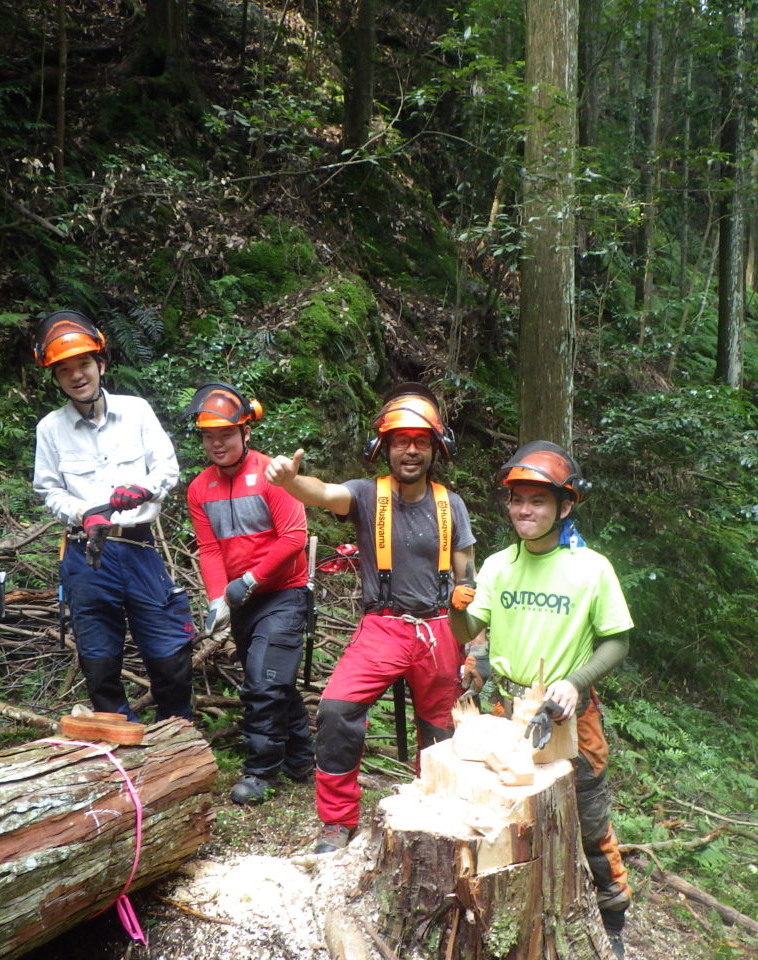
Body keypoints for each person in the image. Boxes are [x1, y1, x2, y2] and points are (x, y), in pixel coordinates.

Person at [266, 382, 475, 853]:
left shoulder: (451, 504)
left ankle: (436, 808)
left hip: (439, 628)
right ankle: (337, 821)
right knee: (337, 709)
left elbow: (469, 578)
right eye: (401, 440)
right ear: (385, 446)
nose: (411, 449)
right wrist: (289, 481)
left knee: (442, 728)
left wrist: (474, 644)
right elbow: (320, 492)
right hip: (383, 624)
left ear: (435, 448)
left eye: (421, 441)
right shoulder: (365, 495)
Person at [450, 440, 633, 960]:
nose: (524, 511)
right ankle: (506, 919)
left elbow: (617, 640)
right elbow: (469, 627)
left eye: (537, 501)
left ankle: (612, 918)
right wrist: (455, 606)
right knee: (507, 817)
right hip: (505, 713)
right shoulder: (497, 566)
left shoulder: (591, 568)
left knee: (591, 821)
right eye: (516, 500)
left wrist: (575, 682)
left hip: (569, 715)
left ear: (564, 505)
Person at [31, 310, 194, 721]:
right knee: (99, 657)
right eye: (64, 370)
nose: (77, 375)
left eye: (83, 364)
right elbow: (48, 490)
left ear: (100, 365)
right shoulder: (49, 429)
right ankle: (120, 741)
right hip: (87, 556)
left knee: (168, 651)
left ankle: (177, 732)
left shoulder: (136, 411)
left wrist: (144, 488)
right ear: (56, 378)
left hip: (137, 546)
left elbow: (167, 468)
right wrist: (85, 512)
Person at [185, 382, 315, 805]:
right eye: (208, 436)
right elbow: (208, 548)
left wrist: (251, 580)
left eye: (225, 434)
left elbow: (294, 537)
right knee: (275, 681)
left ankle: (260, 771)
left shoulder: (273, 476)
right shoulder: (199, 488)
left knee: (262, 683)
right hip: (242, 602)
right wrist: (216, 598)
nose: (216, 443)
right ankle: (300, 759)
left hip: (284, 594)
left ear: (246, 432)